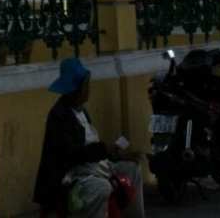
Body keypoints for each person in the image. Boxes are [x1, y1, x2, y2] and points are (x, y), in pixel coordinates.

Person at [32, 58, 145, 218]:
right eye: (86, 85)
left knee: (133, 169)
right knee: (101, 188)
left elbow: (93, 146)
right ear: (75, 89)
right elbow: (73, 154)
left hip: (96, 167)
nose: (88, 90)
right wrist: (105, 149)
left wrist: (116, 154)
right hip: (72, 176)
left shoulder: (81, 111)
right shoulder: (59, 116)